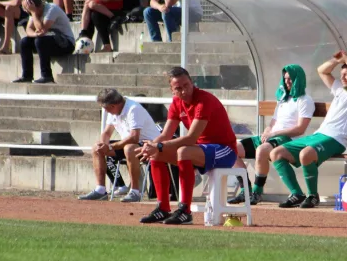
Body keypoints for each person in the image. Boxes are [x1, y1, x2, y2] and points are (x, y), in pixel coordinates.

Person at [137, 67, 238, 225]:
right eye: (178, 88)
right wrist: (151, 145)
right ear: (172, 90)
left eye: (186, 85)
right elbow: (165, 135)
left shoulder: (204, 100)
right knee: (155, 154)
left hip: (225, 150)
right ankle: (163, 208)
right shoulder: (176, 103)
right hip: (199, 151)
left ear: (192, 83)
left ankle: (185, 211)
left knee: (183, 151)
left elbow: (191, 138)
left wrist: (160, 146)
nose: (184, 90)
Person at [270, 51, 347, 209]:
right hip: (319, 135)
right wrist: (336, 59)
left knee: (305, 154)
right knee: (276, 154)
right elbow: (322, 70)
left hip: (336, 139)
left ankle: (313, 196)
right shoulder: (339, 90)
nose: (343, 78)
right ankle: (297, 194)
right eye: (342, 74)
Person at [228, 64, 315, 206]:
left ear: (298, 79)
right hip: (273, 136)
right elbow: (273, 122)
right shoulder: (282, 99)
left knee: (261, 150)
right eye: (285, 78)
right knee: (232, 148)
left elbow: (300, 129)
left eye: (291, 79)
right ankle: (246, 190)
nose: (287, 82)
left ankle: (257, 192)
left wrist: (274, 133)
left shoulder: (305, 100)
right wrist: (267, 131)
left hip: (287, 139)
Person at [78, 88, 160, 202]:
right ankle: (100, 190)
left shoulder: (133, 109)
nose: (105, 111)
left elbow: (134, 137)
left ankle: (135, 191)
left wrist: (110, 147)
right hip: (132, 145)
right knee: (97, 147)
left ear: (113, 105)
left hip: (151, 146)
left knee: (129, 148)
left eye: (105, 108)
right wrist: (103, 145)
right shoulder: (115, 110)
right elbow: (107, 133)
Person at [12, 0, 75, 84]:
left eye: (28, 10)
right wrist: (35, 34)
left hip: (66, 43)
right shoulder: (34, 12)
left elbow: (42, 29)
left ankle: (47, 76)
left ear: (35, 6)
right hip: (49, 41)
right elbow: (29, 29)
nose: (27, 12)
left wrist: (33, 13)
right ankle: (27, 76)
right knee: (24, 42)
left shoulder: (51, 9)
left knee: (40, 41)